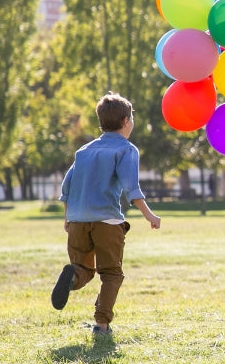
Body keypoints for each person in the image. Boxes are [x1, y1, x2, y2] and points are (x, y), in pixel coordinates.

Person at [51, 92, 162, 337]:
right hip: (107, 221)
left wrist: (68, 217)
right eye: (132, 117)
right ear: (125, 121)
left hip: (78, 220)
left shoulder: (84, 150)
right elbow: (132, 189)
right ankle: (101, 325)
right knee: (111, 273)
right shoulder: (126, 149)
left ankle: (71, 278)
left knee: (83, 269)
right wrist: (150, 215)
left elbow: (66, 187)